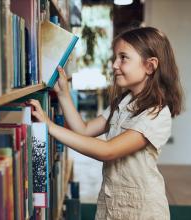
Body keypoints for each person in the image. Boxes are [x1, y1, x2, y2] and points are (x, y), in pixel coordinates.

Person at [29, 27, 183, 220]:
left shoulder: (156, 113)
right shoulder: (122, 102)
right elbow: (84, 130)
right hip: (111, 203)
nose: (114, 65)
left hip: (143, 210)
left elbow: (107, 150)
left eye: (123, 58)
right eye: (115, 57)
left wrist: (50, 126)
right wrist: (63, 94)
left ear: (149, 66)